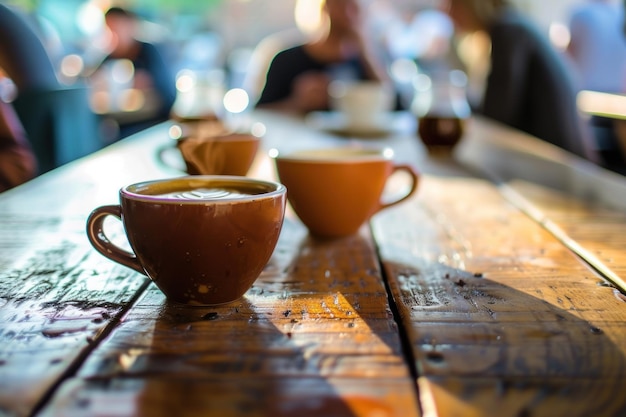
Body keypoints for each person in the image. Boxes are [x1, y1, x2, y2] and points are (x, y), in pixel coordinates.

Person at [443, 0, 598, 162]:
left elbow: (498, 116)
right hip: (551, 159)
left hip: (559, 165)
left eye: (454, 4)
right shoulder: (514, 25)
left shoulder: (508, 29)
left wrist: (453, 104)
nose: (446, 12)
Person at [255, 0, 391, 114]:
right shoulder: (286, 60)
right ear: (326, 7)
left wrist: (367, 53)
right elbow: (260, 114)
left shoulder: (369, 62)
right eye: (342, 5)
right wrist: (297, 103)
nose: (349, 15)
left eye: (355, 8)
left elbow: (394, 107)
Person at [93, 6, 176, 138]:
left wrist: (148, 84)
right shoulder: (110, 58)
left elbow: (168, 95)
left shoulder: (148, 52)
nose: (114, 35)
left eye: (117, 29)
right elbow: (92, 82)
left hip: (152, 123)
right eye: (110, 30)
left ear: (129, 26)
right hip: (120, 122)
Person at [565, 0, 626, 171]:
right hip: (616, 106)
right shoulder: (617, 15)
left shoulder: (581, 14)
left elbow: (568, 64)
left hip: (585, 103)